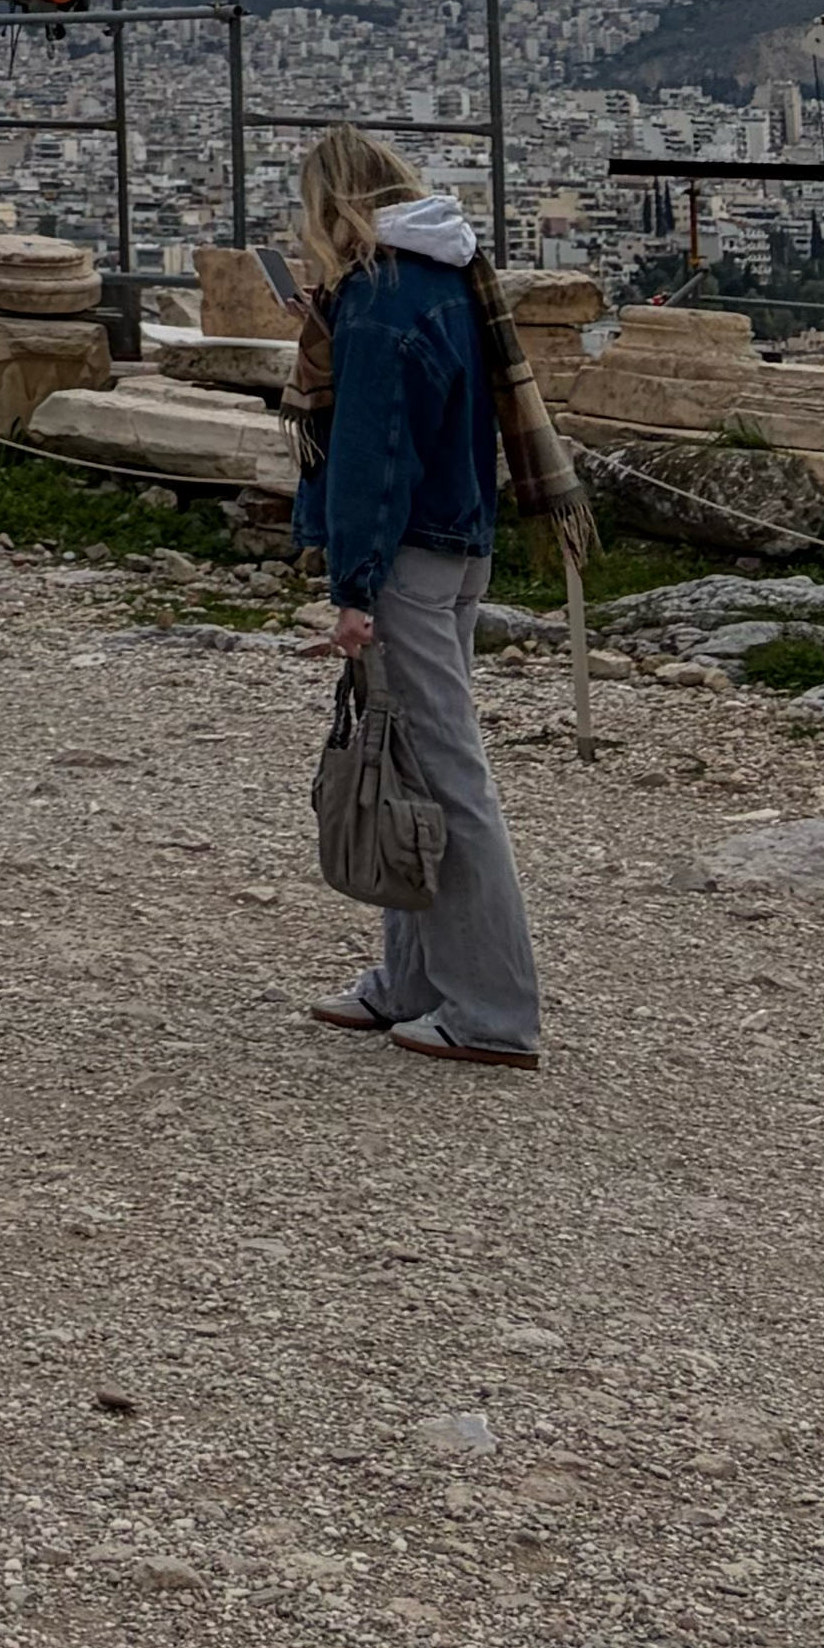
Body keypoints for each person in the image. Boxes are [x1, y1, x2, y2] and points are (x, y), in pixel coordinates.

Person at [291, 123, 545, 1069]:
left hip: (407, 558)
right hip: (460, 540)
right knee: (408, 764)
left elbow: (369, 457)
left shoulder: (380, 303)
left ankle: (492, 1010)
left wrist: (351, 586)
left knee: (446, 775)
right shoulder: (450, 276)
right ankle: (413, 982)